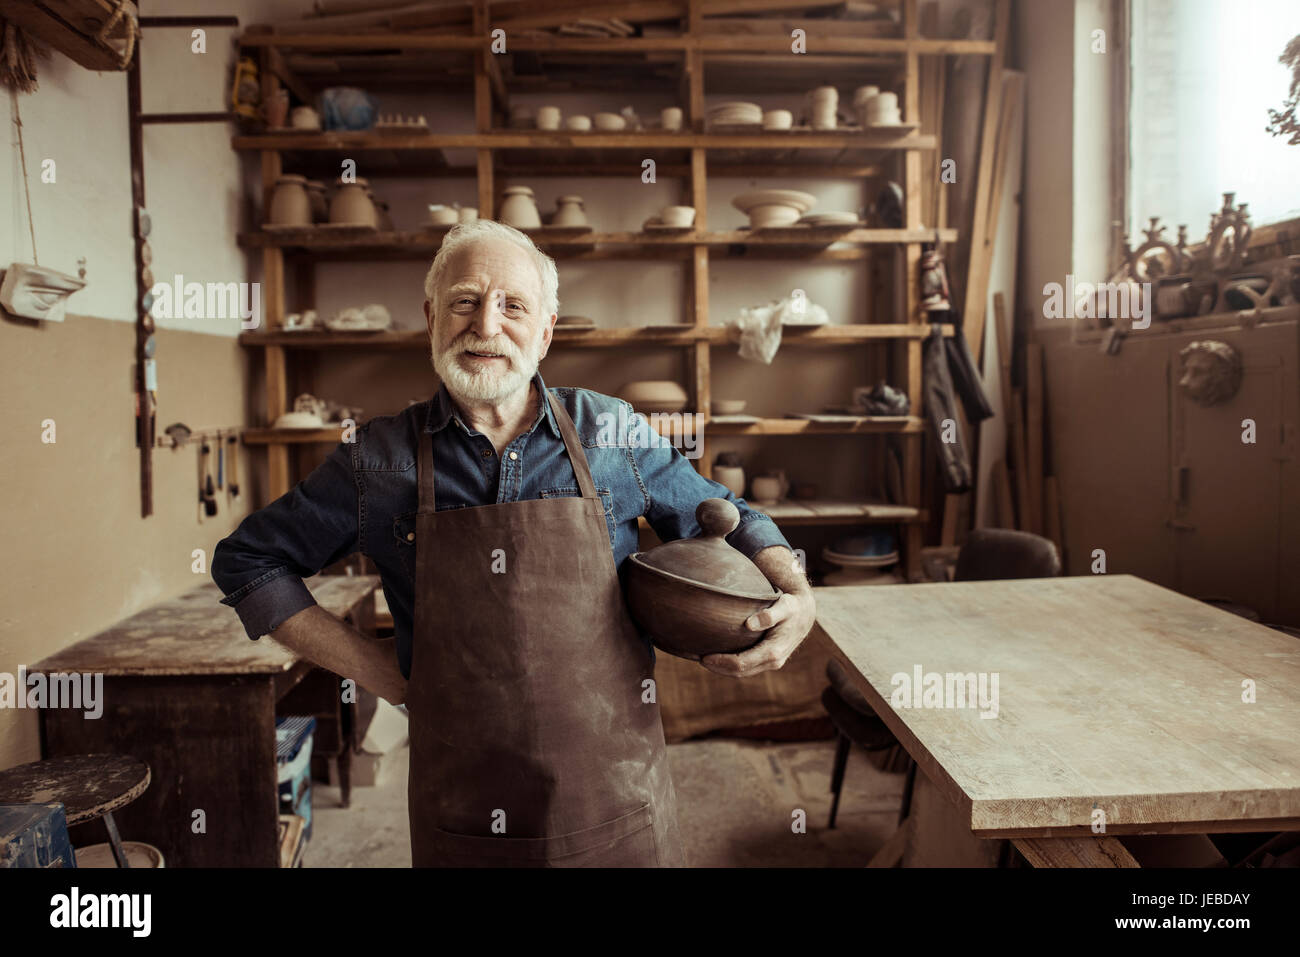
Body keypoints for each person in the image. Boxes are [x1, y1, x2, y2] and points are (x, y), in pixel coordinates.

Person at [212, 219, 817, 866]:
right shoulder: (379, 461)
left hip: (616, 794)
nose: (486, 325)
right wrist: (380, 671)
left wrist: (795, 590)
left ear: (547, 330)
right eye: (464, 301)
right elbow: (248, 560)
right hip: (465, 807)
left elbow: (722, 515)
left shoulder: (611, 432)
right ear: (432, 318)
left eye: (513, 306)